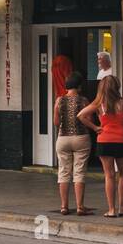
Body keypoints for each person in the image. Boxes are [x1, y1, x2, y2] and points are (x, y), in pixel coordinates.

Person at [79, 74, 123, 217]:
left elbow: (80, 115)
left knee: (109, 176)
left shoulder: (99, 104)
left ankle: (111, 210)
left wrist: (95, 127)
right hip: (122, 141)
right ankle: (122, 207)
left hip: (104, 141)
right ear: (117, 87)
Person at [53, 71, 91, 216]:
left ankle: (64, 206)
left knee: (63, 172)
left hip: (63, 139)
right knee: (79, 172)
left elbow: (56, 122)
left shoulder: (59, 100)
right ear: (80, 86)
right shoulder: (84, 101)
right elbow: (90, 121)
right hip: (81, 137)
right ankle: (80, 207)